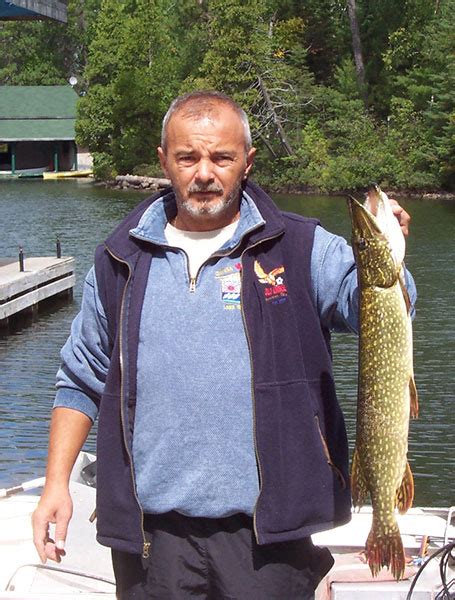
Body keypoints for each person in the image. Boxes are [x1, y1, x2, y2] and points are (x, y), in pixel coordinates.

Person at [32, 90, 415, 600]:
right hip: (152, 538)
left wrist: (391, 261)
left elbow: (370, 303)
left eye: (222, 157)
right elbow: (81, 377)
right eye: (188, 156)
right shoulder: (120, 258)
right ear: (163, 159)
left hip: (270, 537)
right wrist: (55, 483)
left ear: (247, 162)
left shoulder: (301, 247)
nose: (205, 172)